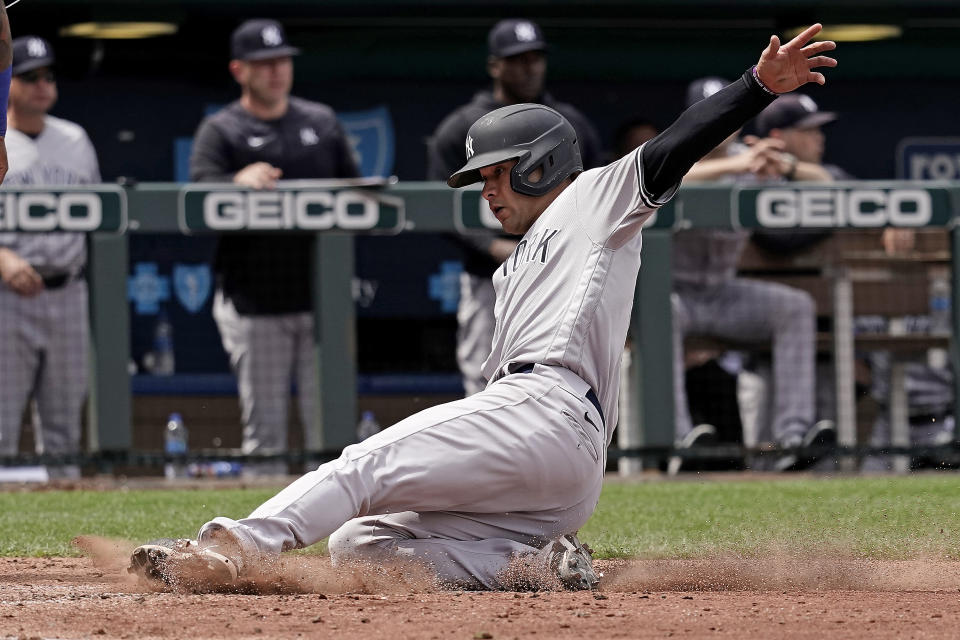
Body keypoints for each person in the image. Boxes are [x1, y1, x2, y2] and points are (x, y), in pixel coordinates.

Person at [130, 25, 837, 592]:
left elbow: (674, 148)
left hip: (548, 410)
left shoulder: (594, 198)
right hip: (555, 465)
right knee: (362, 545)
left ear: (539, 163)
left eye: (496, 174)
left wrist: (753, 89)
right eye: (481, 179)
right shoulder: (516, 262)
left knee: (362, 465)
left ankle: (230, 551)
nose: (487, 192)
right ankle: (537, 570)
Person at [189, 19, 359, 474]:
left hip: (319, 299)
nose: (276, 71)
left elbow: (361, 190)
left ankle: (327, 536)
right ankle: (257, 538)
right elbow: (195, 195)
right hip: (254, 300)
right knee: (265, 436)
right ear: (239, 70)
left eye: (282, 61)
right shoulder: (221, 129)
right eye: (263, 64)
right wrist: (233, 182)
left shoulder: (320, 122)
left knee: (330, 432)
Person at [667, 77, 840, 474]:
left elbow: (826, 184)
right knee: (666, 311)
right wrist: (739, 164)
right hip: (671, 294)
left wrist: (785, 164)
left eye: (728, 115)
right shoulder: (670, 153)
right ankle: (678, 442)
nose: (722, 125)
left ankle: (793, 437)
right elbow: (670, 178)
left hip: (722, 293)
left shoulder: (751, 159)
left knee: (794, 307)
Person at [427, 18, 602, 396]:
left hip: (561, 270)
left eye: (535, 57)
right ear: (495, 66)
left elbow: (594, 193)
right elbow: (437, 205)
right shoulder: (461, 128)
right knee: (484, 380)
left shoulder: (568, 123)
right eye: (517, 59)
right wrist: (493, 246)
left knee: (564, 378)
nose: (529, 67)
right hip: (488, 275)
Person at [0, 35, 99, 481]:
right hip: (8, 293)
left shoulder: (75, 139)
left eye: (48, 75)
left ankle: (64, 544)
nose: (42, 84)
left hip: (67, 290)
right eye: (29, 76)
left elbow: (101, 212)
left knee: (64, 425)